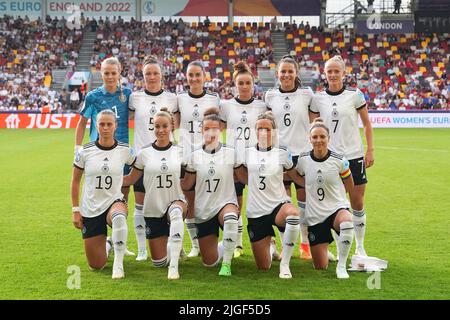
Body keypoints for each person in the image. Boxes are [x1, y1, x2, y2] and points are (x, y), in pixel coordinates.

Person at [310, 55, 374, 257]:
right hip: (330, 159)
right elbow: (313, 127)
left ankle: (360, 247)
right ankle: (339, 248)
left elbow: (367, 124)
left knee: (357, 203)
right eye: (329, 71)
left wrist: (370, 149)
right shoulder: (318, 98)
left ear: (344, 73)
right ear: (325, 73)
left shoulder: (355, 95)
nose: (333, 74)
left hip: (354, 156)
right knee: (332, 205)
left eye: (337, 71)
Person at [123, 108, 187, 280]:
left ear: (171, 127)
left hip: (176, 202)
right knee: (158, 262)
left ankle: (174, 266)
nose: (160, 130)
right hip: (153, 210)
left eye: (164, 126)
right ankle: (176, 245)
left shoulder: (180, 152)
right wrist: (107, 176)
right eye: (157, 126)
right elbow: (130, 179)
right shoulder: (144, 153)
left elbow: (191, 180)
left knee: (175, 212)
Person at [235, 111, 301, 279]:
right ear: (255, 131)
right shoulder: (247, 152)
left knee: (293, 215)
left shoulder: (282, 153)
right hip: (256, 212)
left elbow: (294, 175)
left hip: (278, 205)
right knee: (263, 267)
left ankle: (285, 265)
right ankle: (271, 246)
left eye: (268, 129)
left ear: (274, 131)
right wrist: (254, 183)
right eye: (260, 129)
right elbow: (239, 173)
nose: (263, 132)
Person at [71, 110, 135, 279]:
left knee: (119, 215)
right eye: (101, 124)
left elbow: (142, 165)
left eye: (109, 124)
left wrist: (127, 180)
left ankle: (118, 265)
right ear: (96, 126)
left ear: (115, 126)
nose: (105, 128)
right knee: (96, 265)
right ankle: (109, 243)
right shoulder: (84, 151)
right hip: (91, 208)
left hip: (114, 202)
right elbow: (75, 181)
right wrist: (76, 210)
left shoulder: (125, 150)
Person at [291, 118, 355, 279]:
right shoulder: (304, 159)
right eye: (315, 137)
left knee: (347, 221)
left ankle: (341, 266)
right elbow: (299, 178)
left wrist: (340, 198)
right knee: (320, 266)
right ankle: (326, 249)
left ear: (328, 138)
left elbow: (349, 182)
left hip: (336, 209)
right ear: (310, 139)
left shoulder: (339, 160)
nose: (318, 140)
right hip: (315, 216)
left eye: (322, 137)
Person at [128, 55, 178, 262]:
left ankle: (176, 245)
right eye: (147, 73)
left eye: (155, 73)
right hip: (143, 160)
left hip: (167, 159)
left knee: (170, 203)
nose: (152, 76)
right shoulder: (135, 98)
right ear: (142, 76)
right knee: (140, 204)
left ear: (162, 75)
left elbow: (178, 126)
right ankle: (141, 248)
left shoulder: (172, 98)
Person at [264, 55, 314, 260]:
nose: (286, 75)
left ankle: (305, 244)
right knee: (282, 203)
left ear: (296, 73)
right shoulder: (270, 96)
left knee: (304, 204)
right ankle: (284, 244)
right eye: (282, 71)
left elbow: (314, 121)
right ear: (278, 73)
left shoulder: (306, 94)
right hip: (280, 158)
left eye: (289, 71)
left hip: (302, 157)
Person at [181, 108, 240, 276]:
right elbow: (187, 185)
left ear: (220, 129)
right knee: (209, 262)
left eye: (214, 128)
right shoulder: (194, 156)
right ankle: (225, 246)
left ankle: (227, 264)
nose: (211, 132)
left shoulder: (231, 153)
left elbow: (244, 178)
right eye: (207, 128)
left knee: (230, 217)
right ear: (201, 130)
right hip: (204, 210)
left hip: (225, 204)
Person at [219, 61, 267, 258]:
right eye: (241, 83)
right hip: (235, 163)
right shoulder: (226, 106)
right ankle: (237, 244)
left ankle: (270, 242)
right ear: (235, 84)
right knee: (236, 204)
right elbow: (217, 129)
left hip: (257, 163)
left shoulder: (262, 106)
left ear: (253, 84)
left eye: (248, 83)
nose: (245, 86)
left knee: (263, 203)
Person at [175, 61, 220, 258]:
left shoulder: (214, 98)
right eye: (190, 75)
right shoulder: (180, 99)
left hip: (208, 157)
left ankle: (219, 241)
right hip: (186, 158)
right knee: (190, 200)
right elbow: (176, 125)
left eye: (197, 75)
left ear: (204, 76)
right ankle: (195, 244)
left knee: (211, 197)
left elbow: (218, 125)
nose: (194, 79)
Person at [75, 57, 132, 200]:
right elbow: (82, 123)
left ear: (119, 73)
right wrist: (77, 147)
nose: (110, 77)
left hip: (121, 151)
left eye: (113, 73)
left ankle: (120, 218)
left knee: (123, 191)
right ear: (101, 74)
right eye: (106, 73)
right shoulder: (93, 96)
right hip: (98, 152)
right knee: (98, 192)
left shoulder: (127, 94)